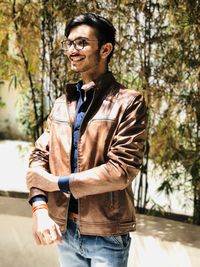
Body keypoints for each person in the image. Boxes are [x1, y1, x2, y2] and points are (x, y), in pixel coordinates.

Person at [26, 12, 147, 267]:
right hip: (64, 230)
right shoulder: (62, 104)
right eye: (69, 43)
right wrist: (39, 207)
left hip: (106, 234)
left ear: (105, 49)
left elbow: (121, 170)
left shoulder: (128, 102)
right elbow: (39, 159)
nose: (72, 50)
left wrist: (57, 183)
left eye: (81, 43)